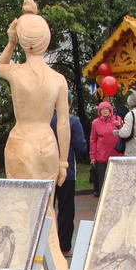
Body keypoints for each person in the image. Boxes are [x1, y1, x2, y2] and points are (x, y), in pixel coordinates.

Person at [0, 0, 70, 270]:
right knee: (47, 205)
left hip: (21, 141)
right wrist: (63, 161)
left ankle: (23, 261)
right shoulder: (58, 79)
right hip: (47, 143)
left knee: (20, 204)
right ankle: (53, 262)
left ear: (23, 41)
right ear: (46, 39)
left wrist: (11, 42)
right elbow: (63, 123)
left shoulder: (16, 73)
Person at [50, 99, 87, 255]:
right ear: (70, 103)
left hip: (46, 170)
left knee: (47, 208)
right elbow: (81, 147)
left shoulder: (45, 121)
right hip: (67, 170)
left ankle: (47, 245)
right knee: (66, 209)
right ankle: (64, 246)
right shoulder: (73, 121)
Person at [89, 101, 123, 195]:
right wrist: (93, 156)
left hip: (116, 155)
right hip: (102, 156)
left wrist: (120, 126)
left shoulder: (117, 119)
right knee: (103, 180)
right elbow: (93, 140)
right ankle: (103, 198)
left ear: (110, 110)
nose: (105, 111)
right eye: (102, 109)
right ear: (99, 111)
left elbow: (125, 134)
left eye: (106, 109)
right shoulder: (95, 123)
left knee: (117, 179)